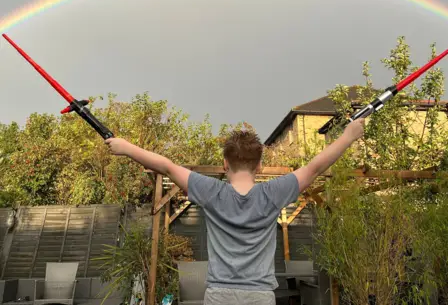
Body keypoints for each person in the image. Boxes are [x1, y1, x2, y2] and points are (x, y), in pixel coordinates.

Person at [105, 118, 365, 305]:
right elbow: (314, 169)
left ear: (225, 163)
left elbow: (168, 167)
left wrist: (126, 148)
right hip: (259, 297)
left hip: (220, 295)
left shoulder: (212, 191)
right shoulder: (273, 193)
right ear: (260, 165)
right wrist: (348, 136)